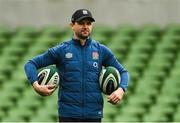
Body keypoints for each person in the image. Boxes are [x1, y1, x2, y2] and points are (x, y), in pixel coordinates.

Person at [24, 9, 129, 122]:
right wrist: (36, 86)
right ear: (72, 25)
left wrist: (121, 90)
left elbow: (123, 72)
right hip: (68, 115)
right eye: (81, 23)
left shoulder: (101, 50)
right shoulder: (61, 50)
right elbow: (30, 64)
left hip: (93, 115)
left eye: (88, 23)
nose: (85, 26)